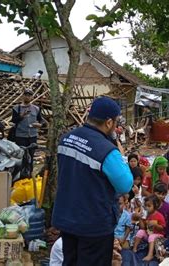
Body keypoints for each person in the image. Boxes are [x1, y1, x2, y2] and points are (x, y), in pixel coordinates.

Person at [52, 96, 133, 266]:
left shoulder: (66, 139)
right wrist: (121, 156)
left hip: (67, 217)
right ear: (109, 122)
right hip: (93, 223)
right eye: (116, 122)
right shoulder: (106, 150)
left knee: (71, 261)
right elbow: (125, 184)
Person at [11, 88, 44, 172]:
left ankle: (30, 173)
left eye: (29, 95)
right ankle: (20, 173)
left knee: (31, 155)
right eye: (26, 95)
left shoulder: (36, 108)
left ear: (32, 97)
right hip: (20, 135)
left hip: (32, 135)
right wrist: (21, 116)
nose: (27, 97)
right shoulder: (16, 108)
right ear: (23, 96)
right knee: (21, 155)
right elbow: (14, 120)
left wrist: (39, 125)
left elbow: (41, 120)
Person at [132, 195, 166, 261]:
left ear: (155, 206)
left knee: (152, 237)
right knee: (140, 232)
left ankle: (150, 255)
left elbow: (163, 228)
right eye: (146, 206)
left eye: (149, 206)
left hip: (159, 236)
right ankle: (134, 249)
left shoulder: (159, 215)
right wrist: (140, 218)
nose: (147, 208)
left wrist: (156, 225)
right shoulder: (147, 215)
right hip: (149, 233)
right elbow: (143, 227)